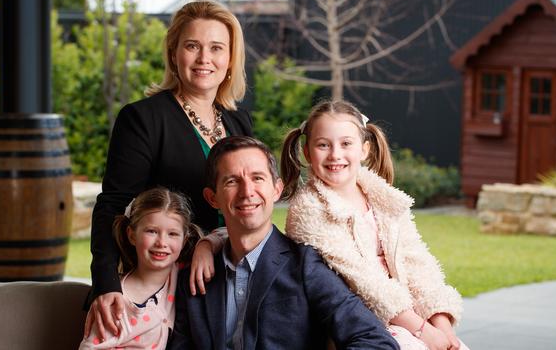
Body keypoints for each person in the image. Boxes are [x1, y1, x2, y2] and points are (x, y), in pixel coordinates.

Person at [86, 0, 252, 339]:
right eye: (192, 46)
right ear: (174, 54)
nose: (205, 59)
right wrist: (106, 284)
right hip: (170, 287)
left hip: (232, 278)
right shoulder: (142, 119)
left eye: (217, 48)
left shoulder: (239, 122)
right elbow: (113, 205)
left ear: (231, 59)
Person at [168, 136, 400, 350]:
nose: (247, 192)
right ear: (213, 198)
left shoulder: (305, 265)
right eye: (232, 181)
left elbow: (376, 341)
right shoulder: (193, 279)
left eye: (257, 178)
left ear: (277, 189)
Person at [278, 100, 469, 350]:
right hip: (358, 323)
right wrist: (422, 331)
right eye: (323, 145)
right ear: (307, 152)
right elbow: (363, 282)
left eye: (346, 143)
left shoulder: (384, 199)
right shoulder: (310, 210)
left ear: (364, 150)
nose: (335, 154)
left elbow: (418, 262)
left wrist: (441, 325)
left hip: (408, 317)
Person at [80, 187, 202, 349]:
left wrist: (208, 245)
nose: (161, 243)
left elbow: (230, 238)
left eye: (172, 234)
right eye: (151, 231)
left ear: (184, 240)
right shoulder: (115, 304)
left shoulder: (180, 273)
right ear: (132, 235)